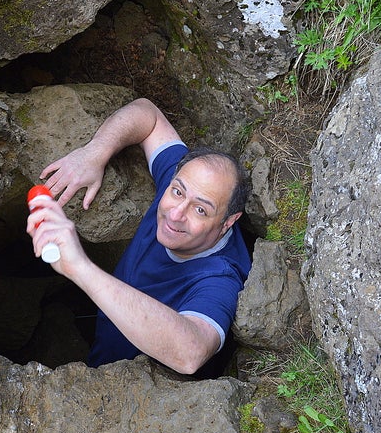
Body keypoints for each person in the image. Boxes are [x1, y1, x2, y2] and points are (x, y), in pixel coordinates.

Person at [26, 98, 251, 375]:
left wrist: (80, 268)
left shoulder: (220, 277)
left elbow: (191, 353)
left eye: (201, 210)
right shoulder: (182, 184)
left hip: (133, 385)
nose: (176, 213)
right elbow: (148, 115)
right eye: (177, 191)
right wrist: (94, 153)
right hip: (107, 337)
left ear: (229, 221)